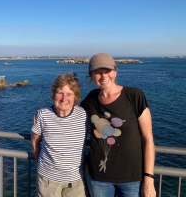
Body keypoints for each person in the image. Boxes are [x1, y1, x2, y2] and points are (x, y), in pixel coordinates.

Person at [80, 53, 156, 197]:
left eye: (107, 71)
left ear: (115, 71)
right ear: (91, 76)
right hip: (98, 178)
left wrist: (149, 178)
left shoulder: (134, 96)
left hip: (132, 178)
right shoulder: (90, 100)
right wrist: (48, 114)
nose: (103, 76)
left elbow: (148, 139)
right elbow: (73, 117)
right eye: (98, 73)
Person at [31, 73, 88, 197]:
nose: (63, 98)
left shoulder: (84, 115)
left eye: (69, 94)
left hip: (76, 181)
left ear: (75, 97)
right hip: (48, 180)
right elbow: (35, 140)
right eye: (60, 93)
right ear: (53, 94)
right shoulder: (43, 115)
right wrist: (40, 161)